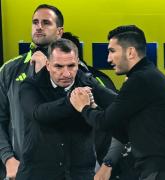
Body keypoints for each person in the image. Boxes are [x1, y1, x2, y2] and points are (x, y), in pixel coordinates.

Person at [70, 25, 165, 180]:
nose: (108, 58)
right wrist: (94, 107)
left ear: (130, 52)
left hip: (161, 172)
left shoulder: (140, 80)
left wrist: (84, 107)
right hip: (158, 171)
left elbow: (104, 123)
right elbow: (124, 130)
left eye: (112, 51)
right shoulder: (146, 76)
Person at [17, 38, 117, 180]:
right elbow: (38, 113)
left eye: (71, 66)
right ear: (48, 65)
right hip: (37, 173)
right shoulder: (30, 85)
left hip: (79, 173)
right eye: (59, 66)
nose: (66, 73)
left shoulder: (88, 83)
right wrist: (73, 100)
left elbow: (118, 106)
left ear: (78, 63)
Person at [62, 31, 138, 180]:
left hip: (99, 165)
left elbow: (119, 121)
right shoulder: (47, 83)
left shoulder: (96, 82)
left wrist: (106, 164)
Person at [0, 4, 64, 179]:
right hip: (19, 169)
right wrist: (8, 159)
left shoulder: (73, 70)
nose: (39, 26)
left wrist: (47, 72)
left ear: (59, 31)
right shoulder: (9, 69)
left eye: (46, 22)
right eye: (35, 22)